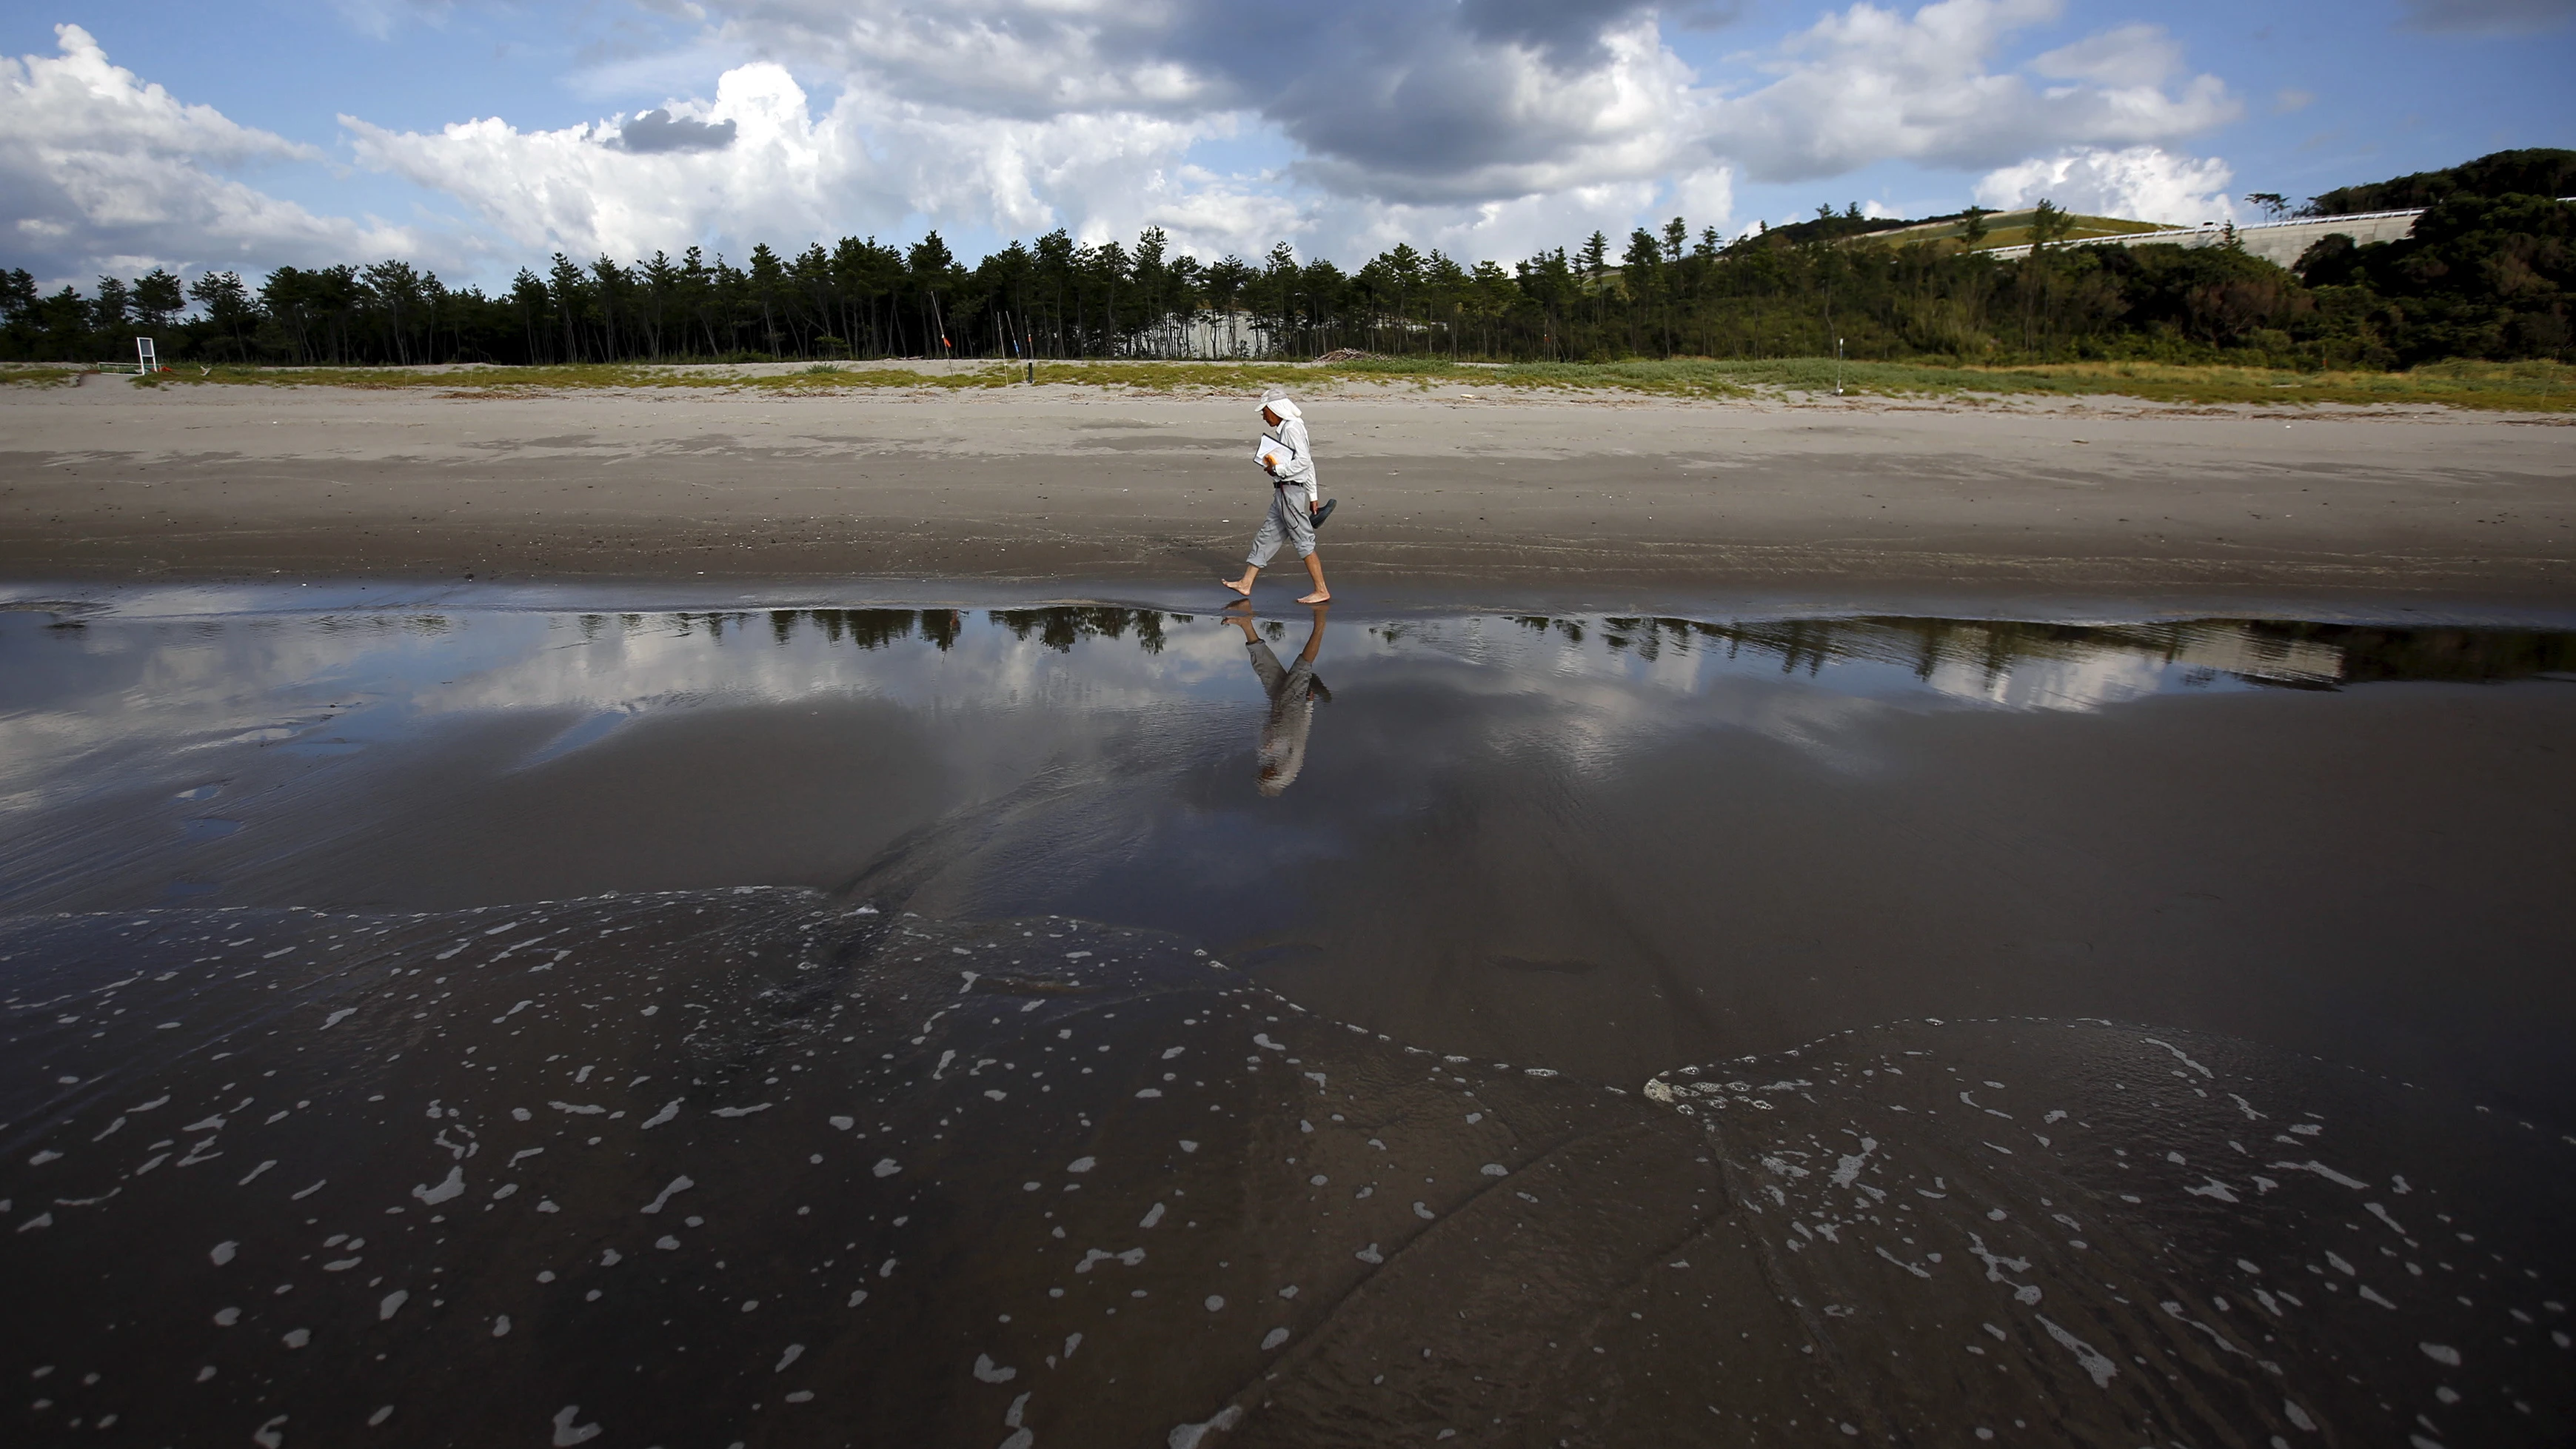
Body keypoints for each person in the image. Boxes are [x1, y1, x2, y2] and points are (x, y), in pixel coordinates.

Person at [1223, 388, 1334, 604]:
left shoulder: (1292, 429)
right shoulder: (1290, 427)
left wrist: (1278, 470)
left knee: (1302, 538)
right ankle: (1246, 583)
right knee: (1268, 536)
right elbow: (1308, 462)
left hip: (1289, 491)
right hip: (1286, 491)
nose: (1264, 416)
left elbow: (1303, 462)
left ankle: (1321, 590)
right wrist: (1313, 495)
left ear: (1276, 409)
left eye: (1265, 411)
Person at [1227, 604, 1331, 796]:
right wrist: (1308, 706)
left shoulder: (1270, 761)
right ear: (1273, 778)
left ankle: (1246, 623)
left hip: (1278, 708)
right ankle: (1320, 624)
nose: (1262, 771)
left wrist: (1267, 738)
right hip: (1293, 707)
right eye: (1264, 775)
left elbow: (1266, 736)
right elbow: (1299, 737)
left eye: (1261, 774)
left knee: (1265, 669)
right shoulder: (1290, 767)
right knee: (1302, 667)